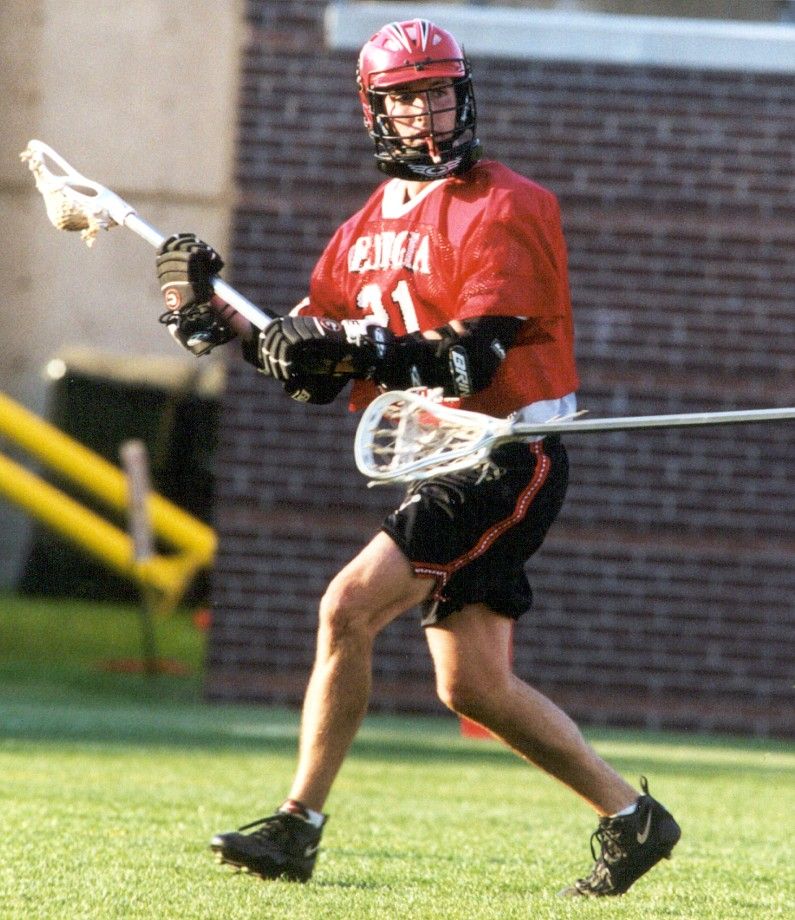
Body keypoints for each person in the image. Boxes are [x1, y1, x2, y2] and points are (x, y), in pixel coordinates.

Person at [155, 18, 680, 897]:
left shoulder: (507, 203)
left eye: (439, 92)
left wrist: (352, 346)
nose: (426, 113)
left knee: (347, 607)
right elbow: (309, 367)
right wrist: (217, 317)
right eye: (406, 98)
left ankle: (296, 824)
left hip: (502, 455)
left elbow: (471, 358)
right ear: (376, 110)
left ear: (462, 94)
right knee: (473, 687)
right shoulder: (360, 229)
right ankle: (632, 818)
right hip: (435, 460)